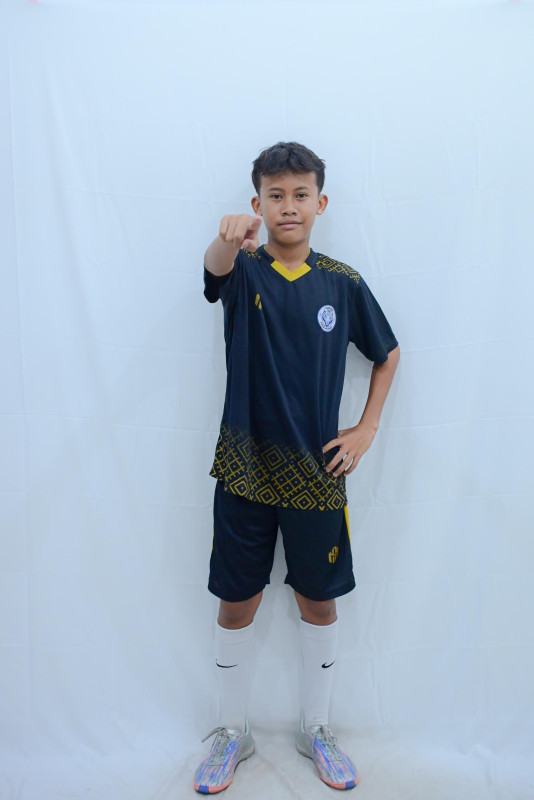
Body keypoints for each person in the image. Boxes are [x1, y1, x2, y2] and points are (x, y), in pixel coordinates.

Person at [194, 142, 400, 794]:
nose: (288, 206)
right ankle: (232, 732)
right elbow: (214, 271)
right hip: (244, 468)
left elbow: (389, 354)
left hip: (317, 473)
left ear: (320, 203)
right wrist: (225, 240)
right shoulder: (245, 268)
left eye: (300, 194)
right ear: (257, 204)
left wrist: (365, 428)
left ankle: (318, 730)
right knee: (236, 602)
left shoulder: (342, 283)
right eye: (275, 195)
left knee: (318, 601)